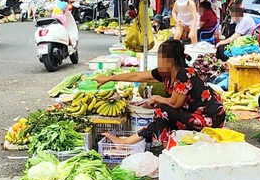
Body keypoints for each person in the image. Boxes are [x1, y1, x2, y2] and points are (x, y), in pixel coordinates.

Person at [97, 39, 226, 145]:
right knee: (162, 116)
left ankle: (167, 150)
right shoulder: (166, 74)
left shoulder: (185, 74)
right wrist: (109, 78)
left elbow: (175, 103)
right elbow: (137, 76)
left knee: (161, 111)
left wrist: (156, 98)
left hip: (210, 118)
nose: (158, 64)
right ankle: (125, 143)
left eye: (160, 60)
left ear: (169, 61)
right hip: (193, 115)